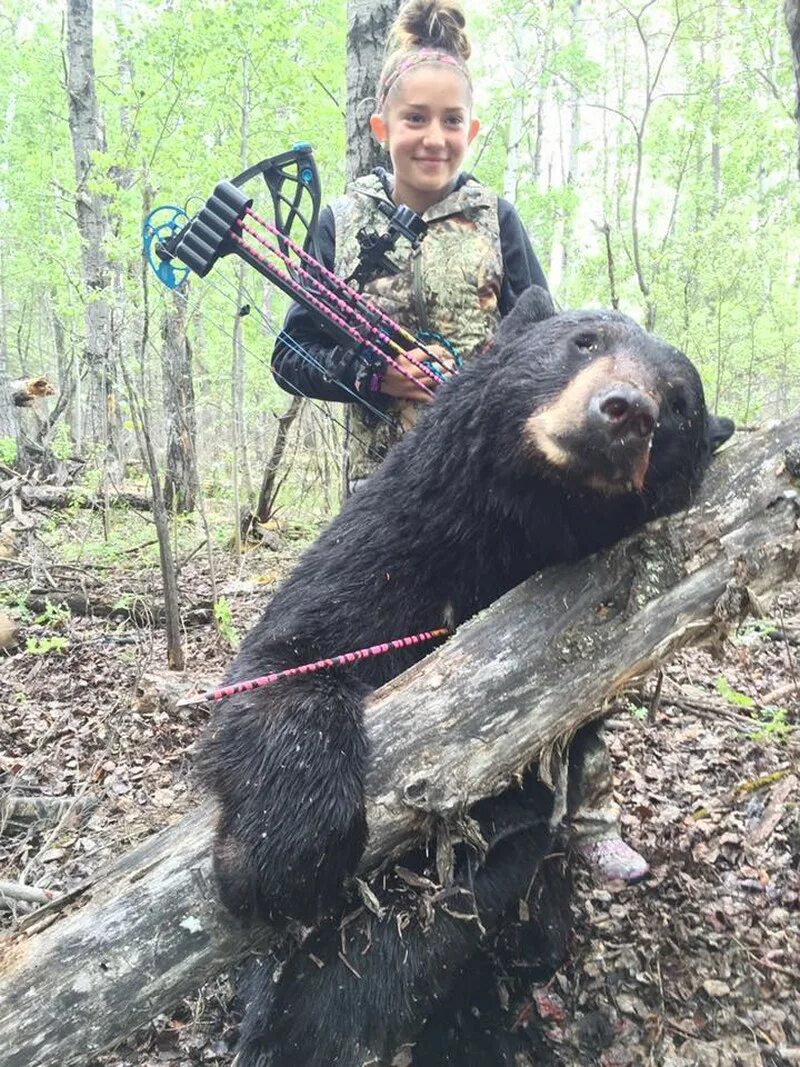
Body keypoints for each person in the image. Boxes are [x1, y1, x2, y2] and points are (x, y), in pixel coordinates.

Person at [271, 0, 647, 884]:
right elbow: (294, 352)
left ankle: (585, 812)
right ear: (382, 127)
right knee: (382, 653)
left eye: (449, 122)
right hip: (387, 495)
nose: (431, 138)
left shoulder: (497, 219)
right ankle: (388, 815)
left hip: (504, 488)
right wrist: (375, 380)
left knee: (549, 640)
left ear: (469, 128)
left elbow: (550, 330)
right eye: (414, 120)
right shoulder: (342, 220)